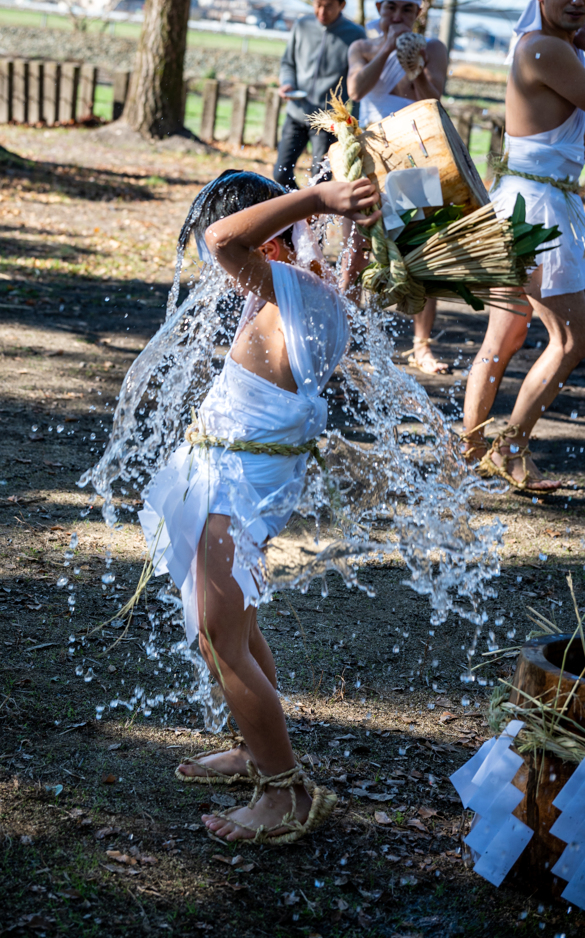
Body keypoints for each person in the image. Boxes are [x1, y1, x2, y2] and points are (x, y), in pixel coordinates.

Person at [139, 169, 381, 844]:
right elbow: (248, 243)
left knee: (220, 638)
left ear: (266, 242)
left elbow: (222, 239)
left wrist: (315, 200)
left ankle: (285, 793)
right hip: (237, 473)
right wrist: (336, 214)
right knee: (233, 632)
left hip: (238, 484)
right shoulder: (314, 288)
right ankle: (254, 751)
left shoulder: (289, 287)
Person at [462, 0, 585, 492]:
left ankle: (466, 452)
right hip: (538, 208)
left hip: (527, 198)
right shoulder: (548, 50)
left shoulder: (554, 43)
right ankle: (510, 447)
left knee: (506, 334)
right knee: (571, 340)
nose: (580, 0)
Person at [346, 0, 450, 375]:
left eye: (408, 8)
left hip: (416, 157)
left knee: (423, 254)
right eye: (391, 7)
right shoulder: (362, 45)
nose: (398, 15)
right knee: (357, 249)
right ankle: (347, 333)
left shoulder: (434, 48)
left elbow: (434, 101)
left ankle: (421, 345)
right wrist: (387, 48)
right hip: (370, 156)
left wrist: (417, 69)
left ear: (419, 12)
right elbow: (356, 89)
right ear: (379, 9)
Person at [274, 0, 365, 190]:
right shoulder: (302, 26)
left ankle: (309, 219)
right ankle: (295, 213)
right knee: (280, 173)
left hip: (328, 121)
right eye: (317, 4)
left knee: (320, 179)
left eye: (329, 6)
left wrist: (356, 123)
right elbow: (288, 62)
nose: (322, 12)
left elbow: (359, 84)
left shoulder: (356, 36)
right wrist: (287, 82)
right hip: (296, 113)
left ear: (342, 5)